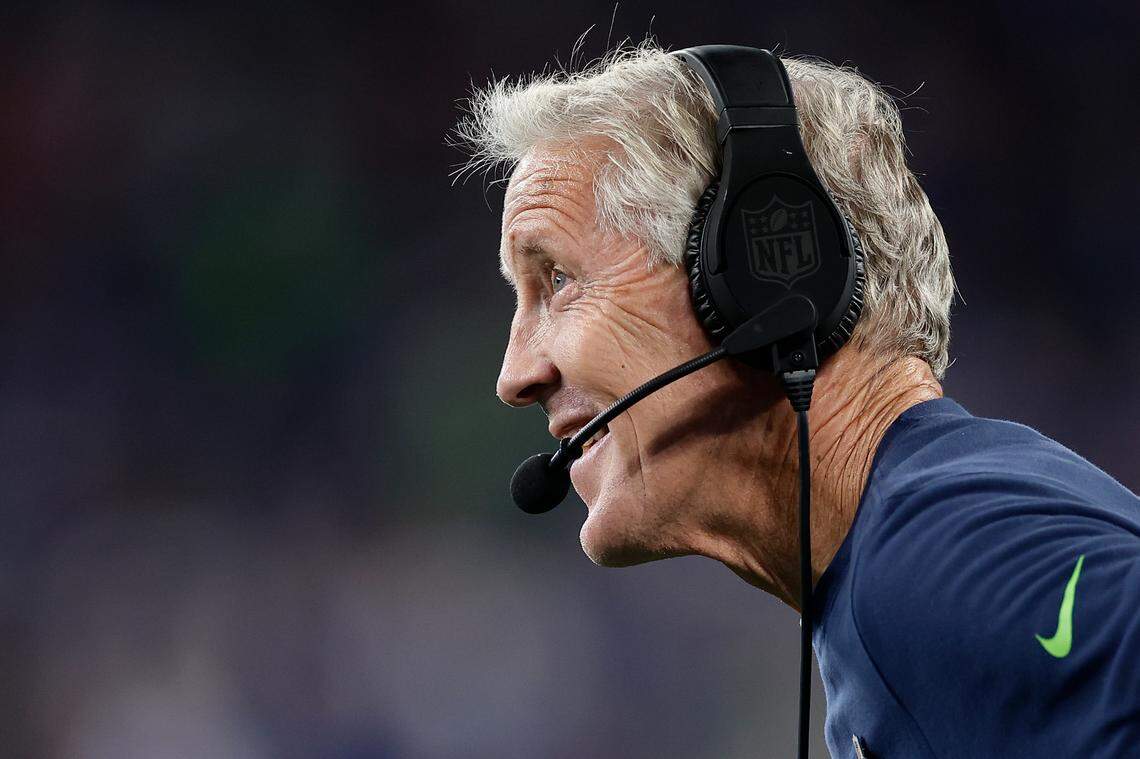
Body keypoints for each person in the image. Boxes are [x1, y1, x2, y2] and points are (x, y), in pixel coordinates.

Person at [453, 41, 1140, 757]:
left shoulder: (942, 547)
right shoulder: (890, 564)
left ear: (761, 280)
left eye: (558, 279)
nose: (514, 373)